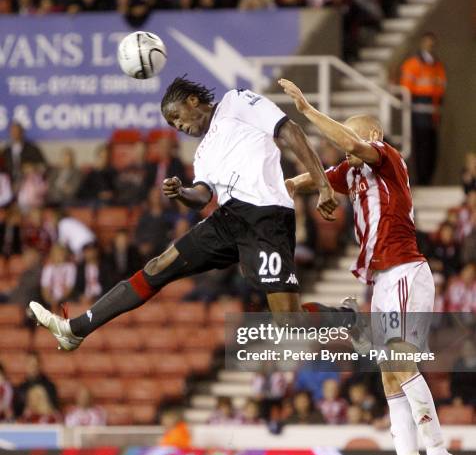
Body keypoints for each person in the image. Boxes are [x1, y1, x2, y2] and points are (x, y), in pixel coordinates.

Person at [30, 77, 337, 353]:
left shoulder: (238, 101)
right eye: (172, 124)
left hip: (266, 217)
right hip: (228, 218)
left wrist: (322, 183)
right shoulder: (202, 152)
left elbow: (290, 130)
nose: (178, 126)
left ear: (193, 100)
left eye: (176, 116)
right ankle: (76, 329)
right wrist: (182, 192)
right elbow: (202, 195)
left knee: (288, 323)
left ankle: (346, 317)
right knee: (157, 266)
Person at [280, 77, 456, 455]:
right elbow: (306, 179)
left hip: (403, 269)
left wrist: (307, 110)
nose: (345, 151)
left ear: (372, 137)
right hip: (381, 280)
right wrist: (267, 192)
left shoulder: (387, 159)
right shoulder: (351, 172)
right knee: (388, 375)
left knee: (400, 363)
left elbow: (348, 143)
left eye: (352, 140)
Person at [400, 32, 447, 185]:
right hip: (418, 112)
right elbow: (406, 89)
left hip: (433, 112)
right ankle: (422, 180)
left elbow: (441, 88)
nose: (430, 46)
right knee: (421, 147)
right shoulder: (413, 64)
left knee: (432, 148)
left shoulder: (437, 65)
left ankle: (428, 179)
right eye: (428, 43)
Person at [14, 352, 58, 417]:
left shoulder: (49, 387)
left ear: (39, 366)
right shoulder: (21, 388)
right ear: (26, 366)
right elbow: (17, 412)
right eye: (30, 364)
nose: (32, 367)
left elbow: (53, 409)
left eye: (35, 364)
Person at [2, 121, 46, 187]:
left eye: (17, 131)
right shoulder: (6, 151)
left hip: (28, 185)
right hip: (9, 184)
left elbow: (43, 166)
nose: (15, 134)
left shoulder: (32, 149)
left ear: (22, 132)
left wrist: (33, 168)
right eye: (13, 131)